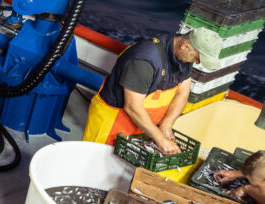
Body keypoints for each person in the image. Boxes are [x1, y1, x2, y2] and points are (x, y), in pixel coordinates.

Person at [82, 26, 214, 151]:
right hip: (112, 123)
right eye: (197, 58)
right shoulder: (144, 60)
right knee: (94, 161)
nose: (197, 62)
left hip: (143, 128)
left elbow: (183, 92)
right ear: (185, 46)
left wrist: (167, 124)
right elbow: (132, 107)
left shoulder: (182, 56)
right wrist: (161, 140)